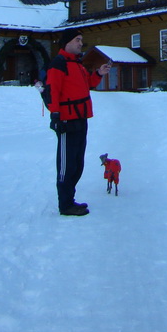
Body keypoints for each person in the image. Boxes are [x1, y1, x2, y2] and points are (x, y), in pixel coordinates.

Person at [46, 29, 111, 216]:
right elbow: (52, 91)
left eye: (81, 40)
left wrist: (99, 73)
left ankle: (70, 200)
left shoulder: (77, 64)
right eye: (77, 40)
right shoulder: (58, 64)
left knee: (77, 164)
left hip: (81, 119)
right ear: (66, 43)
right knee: (66, 166)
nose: (81, 43)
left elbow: (87, 85)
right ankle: (65, 205)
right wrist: (56, 117)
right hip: (66, 121)